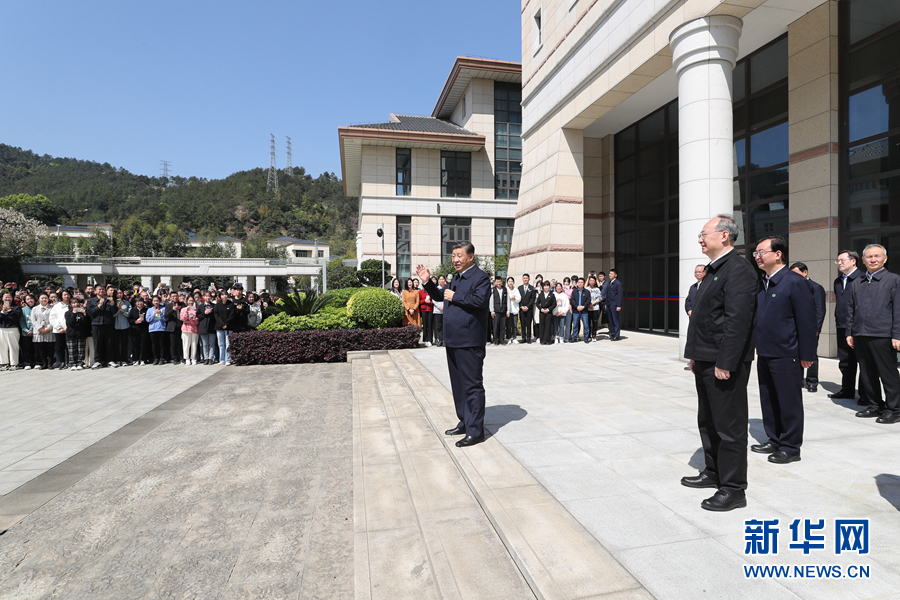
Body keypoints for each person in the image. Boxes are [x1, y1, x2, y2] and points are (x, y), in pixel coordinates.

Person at [682, 214, 757, 512]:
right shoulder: (714, 270)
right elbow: (706, 318)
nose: (700, 239)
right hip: (706, 359)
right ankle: (713, 472)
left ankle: (734, 488)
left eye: (704, 234)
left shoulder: (738, 270)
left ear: (724, 235)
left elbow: (738, 322)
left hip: (723, 363)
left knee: (730, 427)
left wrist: (725, 361)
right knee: (708, 421)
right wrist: (695, 356)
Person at [417, 242, 491, 447]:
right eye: (453, 256)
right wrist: (427, 283)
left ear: (471, 257)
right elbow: (441, 296)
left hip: (469, 340)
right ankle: (465, 421)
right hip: (453, 339)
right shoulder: (456, 278)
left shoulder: (481, 278)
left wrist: (456, 296)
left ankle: (476, 431)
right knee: (458, 385)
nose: (455, 260)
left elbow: (480, 301)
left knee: (472, 385)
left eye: (459, 255)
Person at [752, 237, 817, 464]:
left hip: (787, 353)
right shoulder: (763, 283)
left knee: (789, 402)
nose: (758, 256)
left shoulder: (794, 282)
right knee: (768, 398)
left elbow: (807, 321)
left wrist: (807, 354)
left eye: (762, 252)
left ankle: (790, 447)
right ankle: (774, 438)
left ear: (778, 254)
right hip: (765, 351)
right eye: (756, 253)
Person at [847, 244, 900, 424]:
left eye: (877, 256)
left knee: (888, 373)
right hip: (860, 333)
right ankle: (876, 405)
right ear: (863, 260)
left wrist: (897, 334)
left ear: (885, 259)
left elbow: (898, 310)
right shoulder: (857, 282)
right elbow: (851, 310)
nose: (873, 259)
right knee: (867, 374)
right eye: (869, 257)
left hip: (883, 335)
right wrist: (849, 332)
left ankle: (895, 409)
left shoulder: (894, 280)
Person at [830, 250, 867, 402]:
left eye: (842, 260)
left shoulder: (863, 279)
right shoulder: (838, 282)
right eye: (837, 260)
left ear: (853, 261)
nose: (839, 263)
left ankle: (865, 395)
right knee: (845, 361)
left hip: (858, 327)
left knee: (863, 361)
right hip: (841, 326)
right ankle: (847, 390)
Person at [789, 262, 826, 393]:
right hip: (795, 328)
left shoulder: (816, 287)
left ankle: (812, 382)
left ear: (805, 273)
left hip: (811, 329)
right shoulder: (792, 286)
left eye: (796, 273)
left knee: (811, 355)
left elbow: (820, 310)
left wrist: (816, 329)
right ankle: (798, 381)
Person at [86, 285, 116, 369]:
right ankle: (97, 361)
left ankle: (110, 360)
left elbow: (114, 312)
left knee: (109, 343)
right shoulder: (91, 301)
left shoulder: (109, 300)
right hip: (96, 324)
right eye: (99, 289)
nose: (101, 291)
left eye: (103, 289)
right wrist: (99, 305)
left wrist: (113, 303)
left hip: (108, 324)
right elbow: (90, 312)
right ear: (95, 291)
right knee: (97, 343)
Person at [31, 293, 55, 370]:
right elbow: (33, 320)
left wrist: (49, 327)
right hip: (39, 331)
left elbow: (54, 318)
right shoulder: (35, 308)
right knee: (41, 348)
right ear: (38, 300)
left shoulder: (52, 308)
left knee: (50, 347)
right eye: (42, 298)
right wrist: (39, 328)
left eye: (45, 298)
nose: (44, 299)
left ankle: (50, 364)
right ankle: (44, 364)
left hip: (49, 330)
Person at [65, 297, 90, 370]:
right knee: (72, 350)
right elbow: (70, 322)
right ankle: (72, 364)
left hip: (81, 334)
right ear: (70, 304)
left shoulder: (82, 312)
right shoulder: (68, 313)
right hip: (71, 334)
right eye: (73, 303)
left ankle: (80, 363)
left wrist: (84, 314)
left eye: (77, 302)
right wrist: (73, 313)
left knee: (81, 350)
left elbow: (85, 323)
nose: (75, 304)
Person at [50, 290, 71, 369]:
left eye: (68, 294)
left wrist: (67, 327)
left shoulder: (72, 305)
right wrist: (59, 327)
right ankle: (60, 361)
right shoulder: (57, 306)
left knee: (68, 347)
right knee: (59, 347)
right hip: (58, 330)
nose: (66, 296)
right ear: (61, 296)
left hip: (69, 329)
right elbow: (52, 318)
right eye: (64, 295)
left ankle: (67, 362)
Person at [213, 290, 235, 365]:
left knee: (228, 344)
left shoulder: (231, 305)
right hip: (219, 327)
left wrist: (226, 324)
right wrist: (222, 324)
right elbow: (216, 316)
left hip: (229, 326)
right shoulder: (217, 305)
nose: (224, 296)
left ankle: (228, 359)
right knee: (221, 343)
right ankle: (222, 359)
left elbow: (232, 315)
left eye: (225, 294)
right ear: (220, 296)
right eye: (222, 295)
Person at [128, 297, 150, 365]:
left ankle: (143, 359)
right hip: (134, 330)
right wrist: (135, 321)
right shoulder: (132, 310)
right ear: (135, 303)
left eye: (141, 301)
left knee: (143, 344)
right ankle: (136, 359)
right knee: (135, 344)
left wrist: (143, 320)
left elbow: (149, 319)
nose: (139, 303)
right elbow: (129, 319)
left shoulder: (146, 310)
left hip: (143, 329)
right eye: (138, 302)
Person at [146, 296, 168, 365]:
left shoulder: (163, 309)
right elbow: (148, 319)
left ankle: (162, 358)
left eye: (157, 301)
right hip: (153, 329)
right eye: (154, 301)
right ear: (152, 302)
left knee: (162, 344)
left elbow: (166, 319)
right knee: (154, 345)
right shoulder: (150, 310)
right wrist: (154, 314)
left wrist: (161, 314)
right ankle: (156, 358)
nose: (156, 302)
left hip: (161, 328)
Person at [197, 292, 217, 364]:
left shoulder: (214, 306)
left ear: (211, 298)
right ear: (204, 297)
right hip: (203, 327)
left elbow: (216, 316)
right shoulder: (200, 306)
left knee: (211, 344)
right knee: (204, 344)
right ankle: (206, 358)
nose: (208, 298)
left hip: (212, 327)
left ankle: (211, 358)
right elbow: (198, 316)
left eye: (209, 296)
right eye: (206, 296)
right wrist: (204, 313)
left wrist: (211, 312)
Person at [113, 288, 131, 366]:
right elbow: (112, 315)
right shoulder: (112, 303)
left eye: (121, 293)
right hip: (115, 326)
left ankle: (124, 359)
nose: (119, 294)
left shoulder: (126, 303)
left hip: (125, 325)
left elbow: (129, 314)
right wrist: (118, 308)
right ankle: (117, 359)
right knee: (116, 344)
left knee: (124, 343)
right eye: (117, 293)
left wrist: (123, 311)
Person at [488, 276, 508, 346]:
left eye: (500, 281)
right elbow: (491, 301)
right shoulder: (493, 290)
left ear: (502, 282)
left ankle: (501, 339)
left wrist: (508, 310)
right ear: (495, 282)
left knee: (502, 326)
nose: (499, 283)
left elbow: (507, 300)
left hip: (503, 311)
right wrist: (492, 311)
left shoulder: (505, 290)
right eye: (497, 282)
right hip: (496, 311)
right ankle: (496, 340)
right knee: (495, 326)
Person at [570, 277, 591, 343]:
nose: (580, 284)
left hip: (584, 311)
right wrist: (577, 306)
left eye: (581, 282)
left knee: (586, 325)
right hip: (576, 310)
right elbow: (572, 300)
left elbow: (588, 300)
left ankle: (586, 337)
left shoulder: (587, 291)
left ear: (584, 283)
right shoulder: (574, 291)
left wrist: (583, 306)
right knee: (575, 325)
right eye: (579, 282)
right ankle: (574, 337)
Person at [180, 296, 200, 365]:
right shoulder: (183, 309)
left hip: (194, 329)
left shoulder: (196, 310)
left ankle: (193, 358)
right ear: (187, 301)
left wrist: (190, 321)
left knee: (194, 344)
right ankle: (187, 358)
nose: (191, 302)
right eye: (189, 301)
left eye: (192, 301)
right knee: (186, 344)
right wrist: (186, 311)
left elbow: (197, 320)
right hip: (186, 329)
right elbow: (183, 319)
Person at [19, 294, 35, 369]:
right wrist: (25, 329)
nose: (30, 300)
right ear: (25, 301)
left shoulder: (36, 308)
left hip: (36, 332)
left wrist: (32, 329)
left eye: (31, 298)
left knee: (36, 349)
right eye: (28, 299)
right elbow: (21, 321)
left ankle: (37, 362)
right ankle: (27, 363)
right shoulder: (22, 310)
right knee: (26, 349)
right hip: (25, 333)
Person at [606, 268, 623, 341]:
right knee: (610, 320)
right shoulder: (609, 282)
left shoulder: (618, 283)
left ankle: (617, 335)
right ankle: (612, 333)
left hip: (614, 304)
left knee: (615, 320)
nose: (610, 275)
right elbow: (607, 294)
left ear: (615, 275)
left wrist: (618, 305)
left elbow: (620, 295)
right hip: (609, 304)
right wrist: (606, 304)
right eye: (609, 273)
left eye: (612, 274)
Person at [518, 274, 535, 343]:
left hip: (529, 309)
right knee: (522, 324)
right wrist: (521, 306)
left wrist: (527, 306)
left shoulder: (532, 288)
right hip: (521, 309)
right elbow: (518, 298)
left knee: (528, 324)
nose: (525, 279)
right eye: (524, 278)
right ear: (522, 279)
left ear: (529, 279)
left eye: (526, 278)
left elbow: (532, 299)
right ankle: (523, 337)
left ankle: (528, 338)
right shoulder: (519, 288)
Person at [536, 281, 555, 345]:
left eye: (547, 286)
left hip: (548, 312)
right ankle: (542, 340)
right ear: (543, 287)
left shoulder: (552, 295)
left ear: (549, 287)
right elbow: (537, 303)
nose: (546, 287)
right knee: (542, 326)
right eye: (545, 286)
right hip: (542, 312)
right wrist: (541, 309)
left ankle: (547, 340)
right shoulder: (541, 294)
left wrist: (548, 309)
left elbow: (554, 304)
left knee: (548, 326)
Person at [505, 277, 520, 345]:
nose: (510, 282)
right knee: (508, 325)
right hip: (508, 310)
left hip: (515, 310)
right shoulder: (506, 290)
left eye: (511, 281)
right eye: (509, 281)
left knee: (514, 325)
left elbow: (519, 299)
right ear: (507, 282)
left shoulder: (516, 290)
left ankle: (514, 338)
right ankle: (508, 338)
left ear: (513, 282)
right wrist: (510, 298)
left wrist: (514, 298)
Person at [432, 275, 446, 347]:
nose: (441, 280)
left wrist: (444, 306)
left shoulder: (447, 288)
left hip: (446, 310)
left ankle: (444, 340)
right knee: (438, 326)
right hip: (437, 310)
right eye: (440, 279)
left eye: (443, 279)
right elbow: (433, 299)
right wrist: (439, 306)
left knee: (445, 326)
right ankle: (440, 340)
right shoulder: (436, 288)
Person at [587, 275, 601, 341]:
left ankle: (594, 335)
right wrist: (588, 304)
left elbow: (599, 298)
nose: (591, 282)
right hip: (588, 308)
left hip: (595, 308)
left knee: (595, 322)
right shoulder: (586, 289)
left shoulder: (597, 289)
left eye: (593, 280)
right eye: (590, 280)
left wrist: (592, 303)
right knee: (588, 322)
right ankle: (589, 335)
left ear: (595, 282)